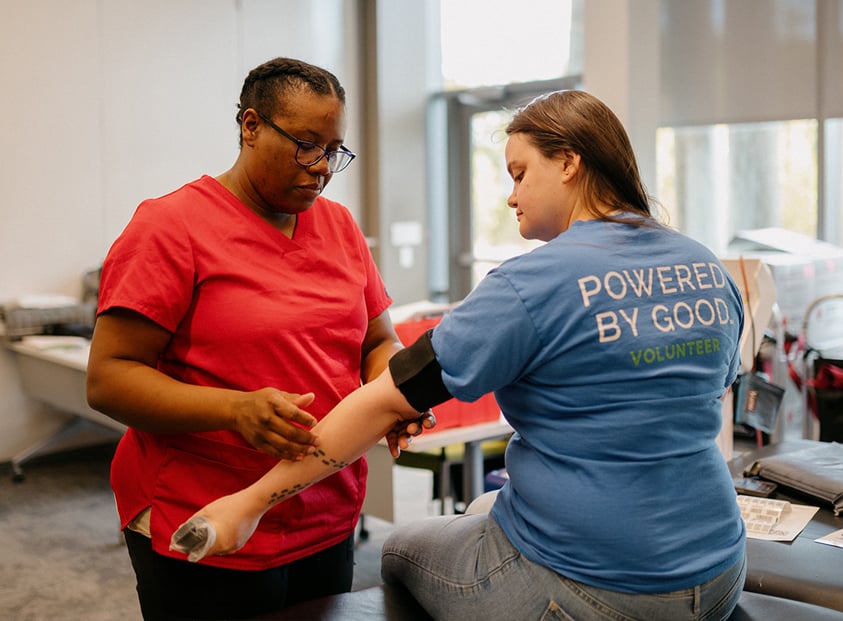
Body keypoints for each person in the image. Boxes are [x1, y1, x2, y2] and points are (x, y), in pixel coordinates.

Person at [169, 89, 747, 621]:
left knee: (400, 548)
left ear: (568, 162)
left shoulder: (531, 283)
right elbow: (706, 393)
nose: (511, 194)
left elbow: (383, 400)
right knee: (481, 506)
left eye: (520, 173)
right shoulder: (704, 264)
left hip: (596, 588)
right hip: (720, 568)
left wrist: (247, 505)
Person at [86, 56, 432, 620]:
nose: (321, 167)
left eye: (332, 150)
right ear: (250, 126)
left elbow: (377, 342)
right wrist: (234, 409)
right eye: (305, 144)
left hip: (325, 510)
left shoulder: (340, 226)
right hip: (203, 510)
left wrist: (394, 393)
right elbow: (108, 379)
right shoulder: (170, 227)